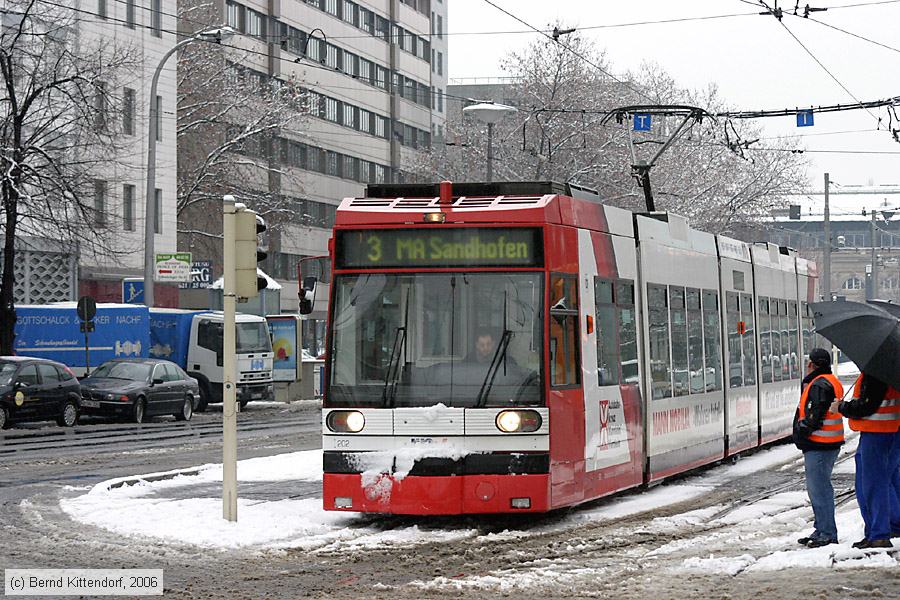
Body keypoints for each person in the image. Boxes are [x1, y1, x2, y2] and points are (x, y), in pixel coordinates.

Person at [833, 371, 900, 549]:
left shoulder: (877, 373)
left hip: (877, 432)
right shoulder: (891, 369)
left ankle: (878, 535)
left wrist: (841, 407)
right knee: (885, 481)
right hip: (892, 430)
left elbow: (866, 406)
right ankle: (883, 529)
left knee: (872, 485)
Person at [793, 348, 845, 548]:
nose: (807, 365)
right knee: (818, 488)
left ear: (813, 364)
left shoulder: (820, 384)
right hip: (825, 443)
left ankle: (827, 532)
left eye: (809, 362)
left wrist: (801, 432)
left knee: (819, 489)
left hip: (821, 444)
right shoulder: (827, 380)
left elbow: (815, 415)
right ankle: (821, 528)